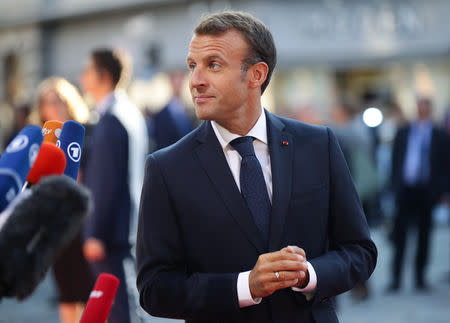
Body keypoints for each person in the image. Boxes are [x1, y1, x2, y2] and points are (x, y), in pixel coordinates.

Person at [136, 11, 377, 323]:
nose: (195, 80)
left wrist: (308, 275)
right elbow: (155, 289)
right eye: (192, 66)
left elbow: (360, 251)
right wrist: (244, 286)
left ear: (256, 74)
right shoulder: (166, 168)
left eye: (213, 65)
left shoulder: (318, 145)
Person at [80, 49, 148, 323]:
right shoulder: (127, 112)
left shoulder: (112, 119)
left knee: (120, 310)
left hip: (109, 233)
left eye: (87, 70)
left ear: (104, 76)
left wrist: (95, 231)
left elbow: (104, 181)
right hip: (124, 226)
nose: (82, 77)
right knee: (123, 306)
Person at [32, 76, 92, 323]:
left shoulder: (87, 134)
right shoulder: (39, 141)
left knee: (91, 291)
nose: (53, 106)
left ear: (69, 102)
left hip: (86, 223)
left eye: (58, 100)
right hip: (56, 226)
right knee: (66, 291)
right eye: (47, 101)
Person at [388, 97, 450, 292]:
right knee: (400, 236)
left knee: (424, 236)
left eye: (425, 107)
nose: (422, 110)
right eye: (419, 107)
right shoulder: (404, 132)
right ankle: (395, 279)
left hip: (427, 191)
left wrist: (444, 191)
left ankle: (420, 278)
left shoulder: (440, 135)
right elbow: (395, 162)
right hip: (406, 190)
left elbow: (445, 165)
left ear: (430, 109)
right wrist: (393, 187)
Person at [148, 70, 196, 152]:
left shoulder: (191, 112)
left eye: (180, 83)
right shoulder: (160, 115)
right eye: (176, 83)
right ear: (171, 84)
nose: (178, 86)